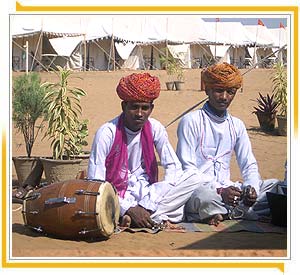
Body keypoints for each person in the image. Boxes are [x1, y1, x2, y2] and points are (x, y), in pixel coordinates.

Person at [87, 72, 205, 229]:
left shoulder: (155, 128)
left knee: (194, 176)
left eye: (145, 108)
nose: (140, 114)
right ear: (124, 106)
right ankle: (135, 215)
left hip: (149, 194)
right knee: (177, 211)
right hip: (118, 195)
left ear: (151, 108)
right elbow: (97, 182)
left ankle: (140, 217)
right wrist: (127, 207)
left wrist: (148, 204)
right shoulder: (107, 132)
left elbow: (173, 167)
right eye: (134, 107)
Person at [176, 62, 281, 226]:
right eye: (219, 90)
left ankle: (227, 211)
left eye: (230, 92)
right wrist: (219, 190)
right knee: (204, 197)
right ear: (207, 90)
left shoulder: (237, 125)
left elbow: (249, 164)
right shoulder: (191, 121)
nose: (224, 97)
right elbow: (187, 170)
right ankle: (232, 211)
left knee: (275, 186)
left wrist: (250, 188)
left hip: (231, 191)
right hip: (203, 189)